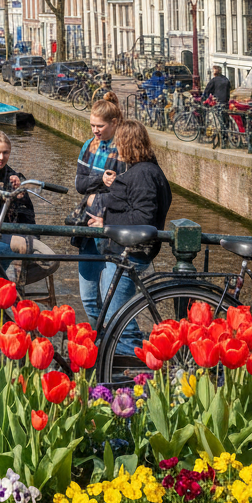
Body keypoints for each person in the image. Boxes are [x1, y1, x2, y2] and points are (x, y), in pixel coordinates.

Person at [87, 120, 172, 356]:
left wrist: (106, 222)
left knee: (118, 318)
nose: (116, 149)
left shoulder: (143, 174)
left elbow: (144, 218)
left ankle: (136, 363)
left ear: (126, 144)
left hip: (131, 252)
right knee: (117, 313)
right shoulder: (147, 170)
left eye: (119, 143)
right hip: (130, 250)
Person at [0, 130, 57, 284]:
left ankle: (7, 284)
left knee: (50, 260)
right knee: (45, 257)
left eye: (5, 152)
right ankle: (2, 284)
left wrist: (20, 194)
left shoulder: (9, 173)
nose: (1, 157)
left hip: (8, 232)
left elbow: (26, 211)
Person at [74, 93, 125, 324]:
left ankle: (111, 338)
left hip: (112, 225)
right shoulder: (89, 146)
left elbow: (126, 189)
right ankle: (99, 337)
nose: (95, 130)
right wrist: (101, 179)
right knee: (88, 298)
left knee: (110, 298)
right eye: (92, 125)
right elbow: (79, 184)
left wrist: (99, 187)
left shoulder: (124, 148)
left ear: (113, 123)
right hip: (89, 225)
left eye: (100, 126)